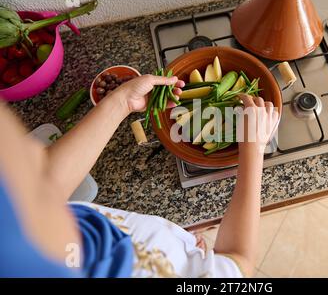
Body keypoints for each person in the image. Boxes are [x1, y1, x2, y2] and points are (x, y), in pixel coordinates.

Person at [0, 73, 279, 278]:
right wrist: (253, 147)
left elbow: (46, 188)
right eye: (31, 155)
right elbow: (238, 262)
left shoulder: (37, 234)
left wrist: (123, 101)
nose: (38, 152)